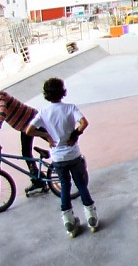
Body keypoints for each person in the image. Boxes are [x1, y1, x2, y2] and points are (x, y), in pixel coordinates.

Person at [29, 77, 98, 237]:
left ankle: (69, 221)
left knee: (64, 187)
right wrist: (75, 133)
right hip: (73, 155)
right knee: (81, 185)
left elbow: (29, 130)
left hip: (58, 159)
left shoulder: (44, 112)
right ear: (63, 92)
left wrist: (46, 136)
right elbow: (84, 122)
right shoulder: (69, 108)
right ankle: (92, 218)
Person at [0, 87, 48, 194]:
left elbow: (2, 109)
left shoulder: (0, 96)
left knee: (51, 139)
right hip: (25, 127)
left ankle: (70, 161)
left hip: (33, 121)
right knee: (26, 153)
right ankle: (37, 180)